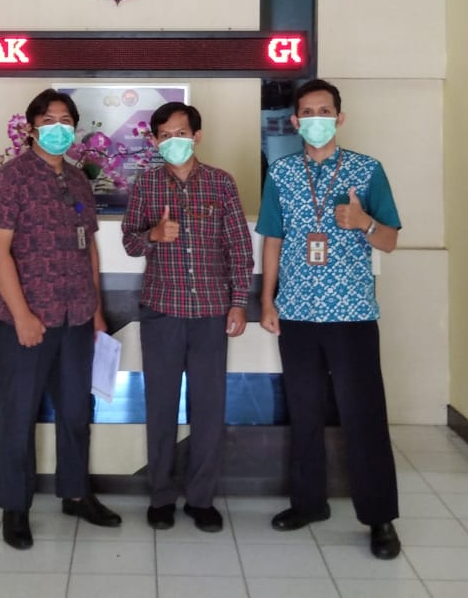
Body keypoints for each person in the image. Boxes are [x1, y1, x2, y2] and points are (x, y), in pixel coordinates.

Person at [257, 79, 404, 560]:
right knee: (304, 412)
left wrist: (363, 222)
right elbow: (273, 239)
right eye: (308, 112)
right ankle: (308, 503)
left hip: (352, 313)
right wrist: (267, 300)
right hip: (298, 312)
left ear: (339, 118)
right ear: (295, 121)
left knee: (363, 415)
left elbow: (389, 240)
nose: (316, 119)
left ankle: (379, 517)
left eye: (325, 111)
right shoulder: (281, 173)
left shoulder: (367, 170)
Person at [0, 88, 121, 550]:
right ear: (31, 128)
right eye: (48, 121)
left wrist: (95, 310)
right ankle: (15, 508)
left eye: (65, 122)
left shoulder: (78, 180)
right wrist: (22, 316)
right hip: (28, 321)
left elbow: (89, 248)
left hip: (76, 317)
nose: (58, 129)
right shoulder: (9, 181)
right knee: (18, 416)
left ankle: (76, 494)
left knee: (77, 412)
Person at [120, 102, 254, 533]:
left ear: (197, 136)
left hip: (211, 312)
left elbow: (239, 247)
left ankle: (201, 499)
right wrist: (153, 235)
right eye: (165, 135)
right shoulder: (145, 184)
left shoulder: (220, 182)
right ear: (154, 140)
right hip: (162, 310)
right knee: (160, 405)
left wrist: (239, 303)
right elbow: (129, 242)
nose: (173, 141)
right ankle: (161, 497)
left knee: (208, 407)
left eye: (181, 133)